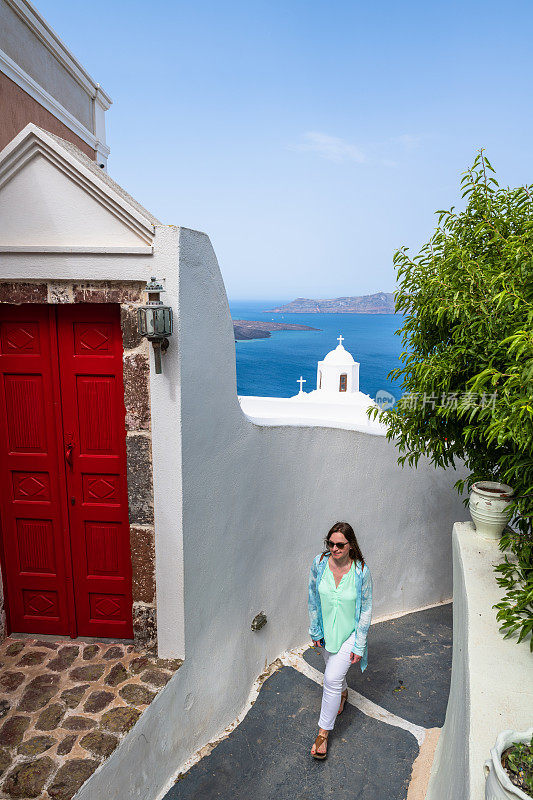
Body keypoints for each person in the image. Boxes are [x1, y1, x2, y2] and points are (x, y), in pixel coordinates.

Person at [308, 521, 373, 759]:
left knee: (331, 678)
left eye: (339, 545)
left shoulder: (360, 571)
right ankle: (343, 694)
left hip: (350, 634)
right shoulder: (319, 563)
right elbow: (313, 598)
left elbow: (366, 609)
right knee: (333, 672)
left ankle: (322, 734)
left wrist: (360, 643)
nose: (334, 549)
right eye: (330, 543)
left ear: (350, 545)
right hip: (327, 633)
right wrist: (315, 629)